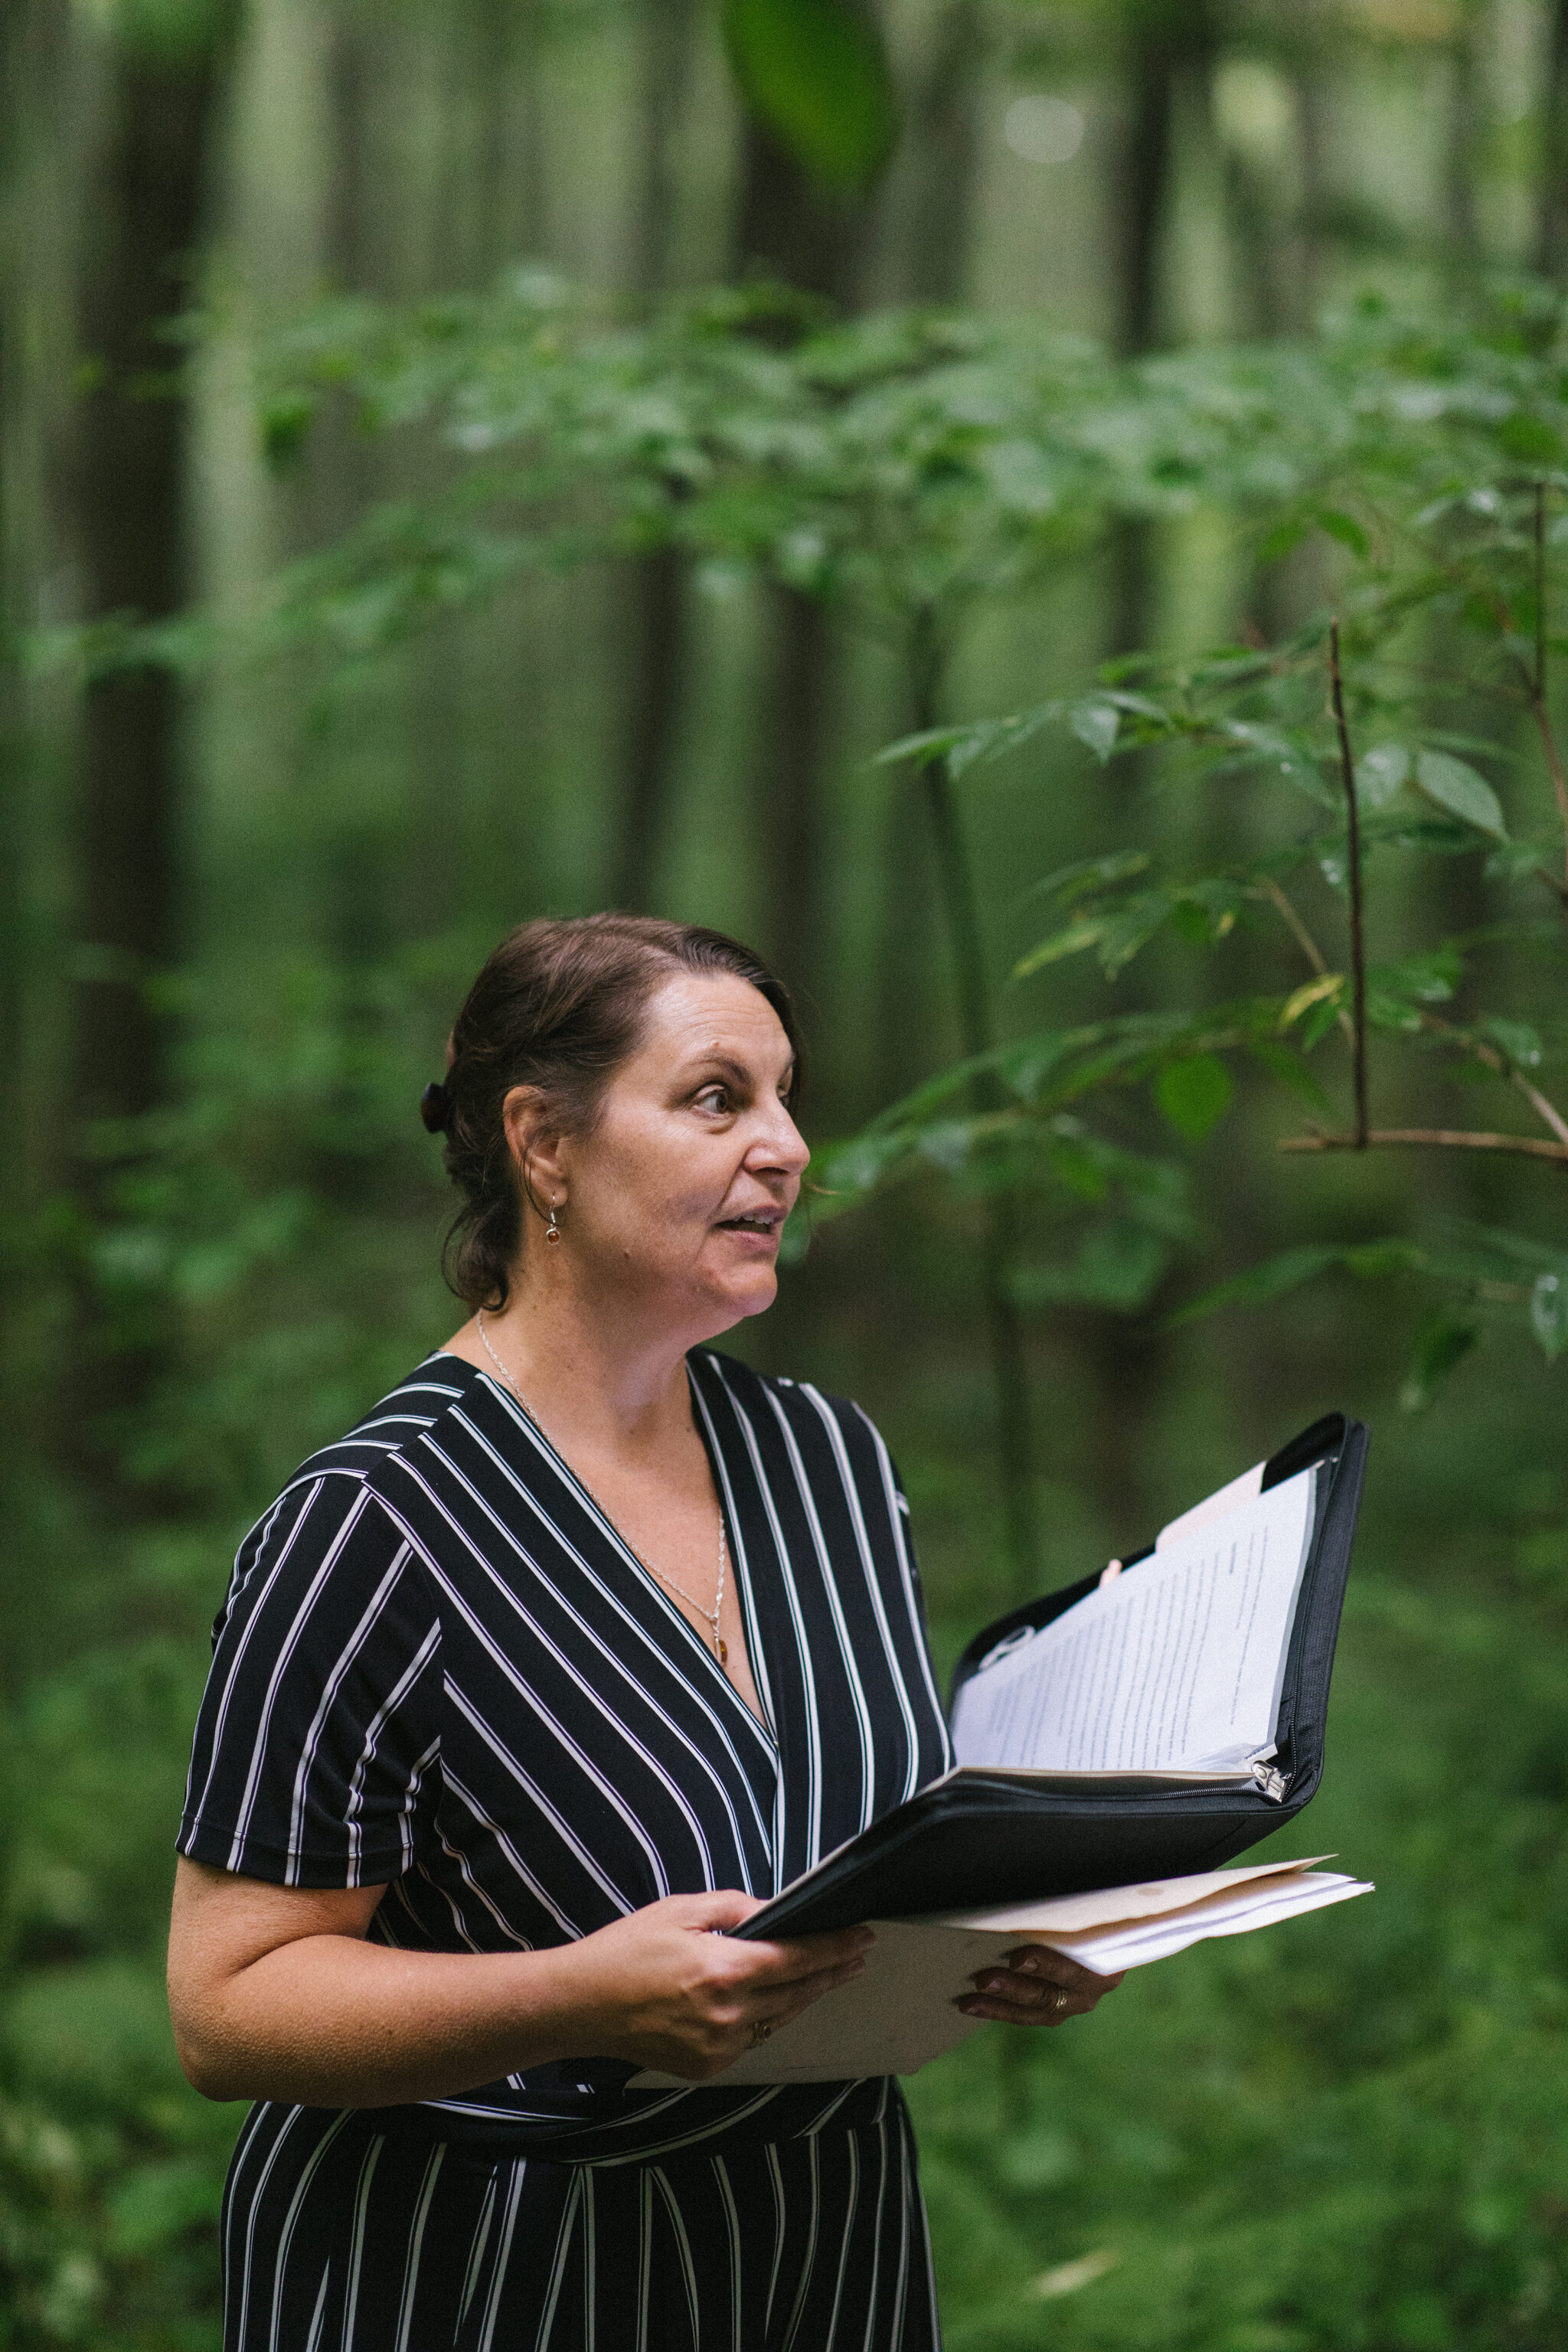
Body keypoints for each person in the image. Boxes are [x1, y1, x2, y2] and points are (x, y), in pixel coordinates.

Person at [166, 914, 1119, 2351]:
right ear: (544, 1144)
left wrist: (1015, 1933)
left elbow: (868, 1835)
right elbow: (227, 2006)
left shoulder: (829, 1463)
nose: (788, 1145)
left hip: (821, 2251)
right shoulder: (375, 1524)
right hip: (478, 2267)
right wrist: (579, 1999)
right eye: (718, 1098)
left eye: (788, 1094)